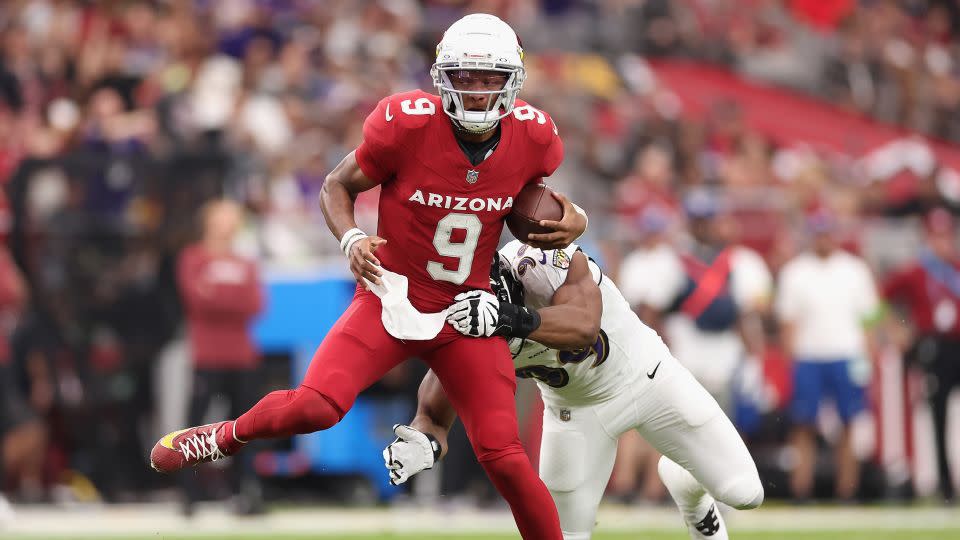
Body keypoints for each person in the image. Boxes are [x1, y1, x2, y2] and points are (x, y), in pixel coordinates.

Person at [150, 14, 587, 538]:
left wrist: (575, 218)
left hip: (466, 309)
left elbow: (525, 205)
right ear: (441, 76)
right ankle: (224, 436)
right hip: (390, 295)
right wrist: (352, 238)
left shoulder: (535, 139)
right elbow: (336, 184)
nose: (474, 90)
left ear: (512, 80)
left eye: (488, 77)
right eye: (464, 76)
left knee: (504, 455)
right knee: (315, 407)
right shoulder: (406, 124)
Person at [384, 241, 764, 540]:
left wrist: (507, 318)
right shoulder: (468, 325)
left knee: (745, 492)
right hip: (574, 412)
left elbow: (583, 326)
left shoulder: (541, 261)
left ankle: (690, 491)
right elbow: (436, 404)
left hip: (647, 376)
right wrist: (423, 438)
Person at [776, 210, 881, 502]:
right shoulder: (796, 271)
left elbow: (869, 319)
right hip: (809, 355)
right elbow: (788, 323)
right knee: (803, 425)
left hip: (846, 353)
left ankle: (847, 490)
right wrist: (791, 362)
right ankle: (801, 489)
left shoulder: (855, 270)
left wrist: (868, 358)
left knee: (848, 424)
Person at [175, 200, 265, 516]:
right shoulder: (193, 258)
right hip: (207, 355)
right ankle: (189, 494)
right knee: (197, 427)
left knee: (243, 428)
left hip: (242, 357)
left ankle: (243, 493)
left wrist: (217, 294)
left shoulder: (246, 262)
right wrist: (231, 298)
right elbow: (195, 299)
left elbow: (255, 304)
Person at [882, 208, 960, 502]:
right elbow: (883, 297)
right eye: (936, 236)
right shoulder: (917, 271)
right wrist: (898, 329)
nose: (942, 242)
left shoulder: (955, 268)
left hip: (958, 342)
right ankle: (945, 486)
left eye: (945, 235)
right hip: (934, 347)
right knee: (937, 417)